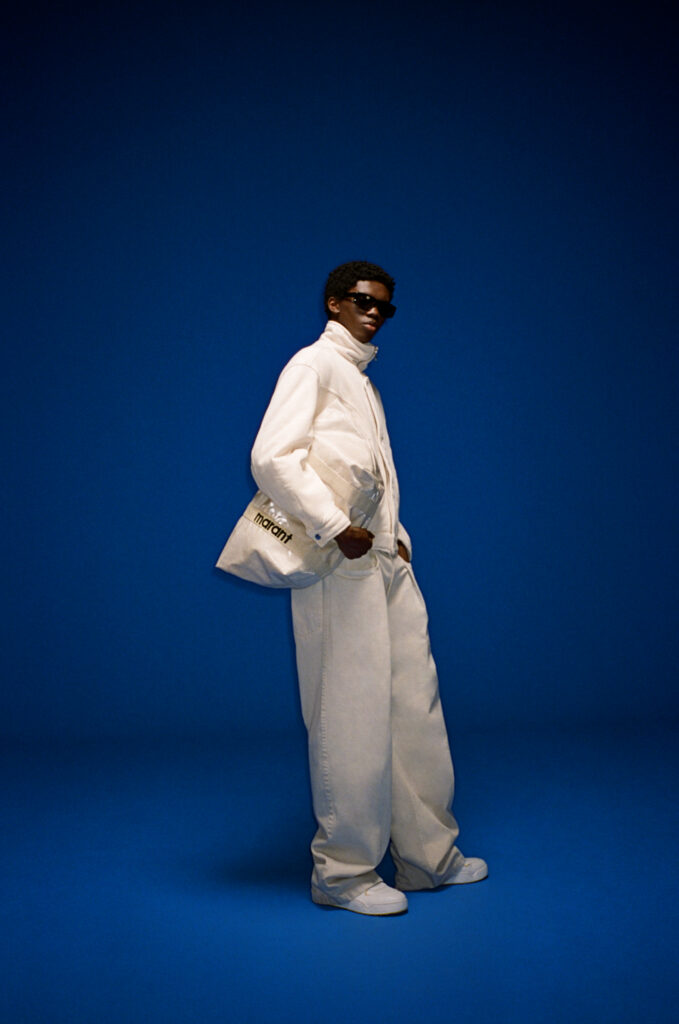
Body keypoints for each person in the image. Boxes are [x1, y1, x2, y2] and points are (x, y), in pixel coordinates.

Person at [250, 260, 487, 915]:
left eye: (384, 305)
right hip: (339, 565)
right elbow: (271, 456)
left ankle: (426, 858)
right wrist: (332, 527)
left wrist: (395, 535)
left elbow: (370, 473)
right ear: (334, 302)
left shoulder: (360, 380)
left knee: (414, 706)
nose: (374, 312)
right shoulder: (312, 365)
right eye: (362, 300)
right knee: (349, 715)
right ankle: (344, 873)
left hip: (382, 560)